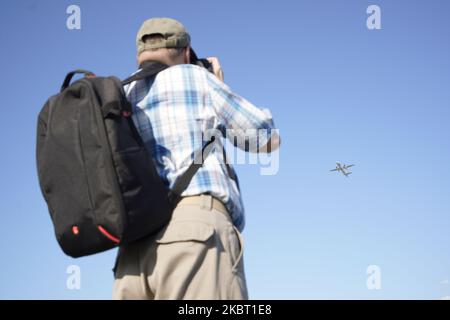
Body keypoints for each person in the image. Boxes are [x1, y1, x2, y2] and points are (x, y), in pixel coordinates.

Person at [112, 17, 280, 300]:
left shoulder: (119, 97)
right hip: (193, 232)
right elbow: (265, 137)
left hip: (131, 255)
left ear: (140, 55)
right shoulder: (195, 78)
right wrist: (217, 83)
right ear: (187, 52)